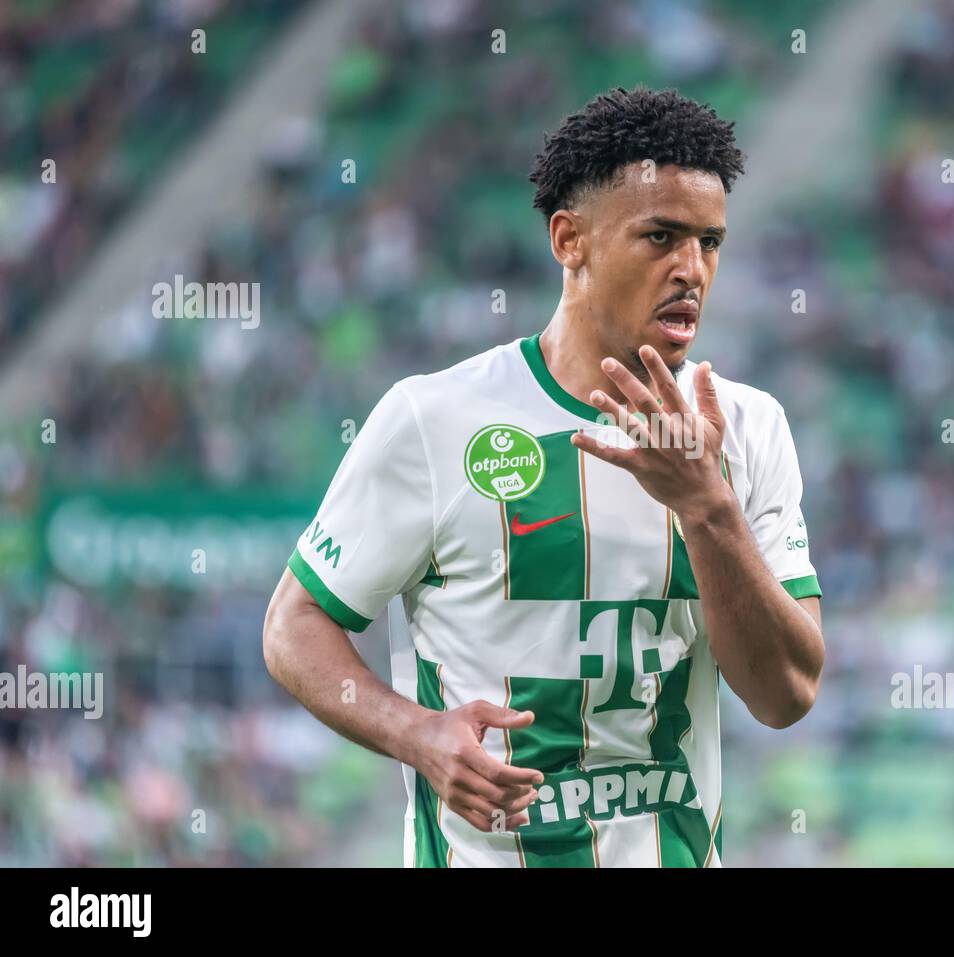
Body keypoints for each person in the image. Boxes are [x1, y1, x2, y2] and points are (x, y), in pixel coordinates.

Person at [263, 86, 824, 867]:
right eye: (661, 236)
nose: (691, 269)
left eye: (709, 241)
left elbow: (785, 693)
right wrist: (417, 734)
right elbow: (293, 626)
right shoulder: (435, 419)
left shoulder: (747, 427)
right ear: (570, 240)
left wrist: (707, 507)